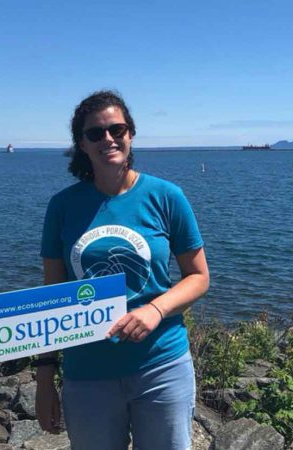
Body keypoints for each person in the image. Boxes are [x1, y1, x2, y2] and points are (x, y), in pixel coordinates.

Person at [36, 90, 210, 450]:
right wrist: (45, 376)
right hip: (87, 372)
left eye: (117, 129)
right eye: (95, 133)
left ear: (131, 134)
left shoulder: (166, 196)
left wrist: (155, 309)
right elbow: (51, 297)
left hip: (161, 364)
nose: (108, 139)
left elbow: (198, 277)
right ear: (81, 144)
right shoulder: (63, 206)